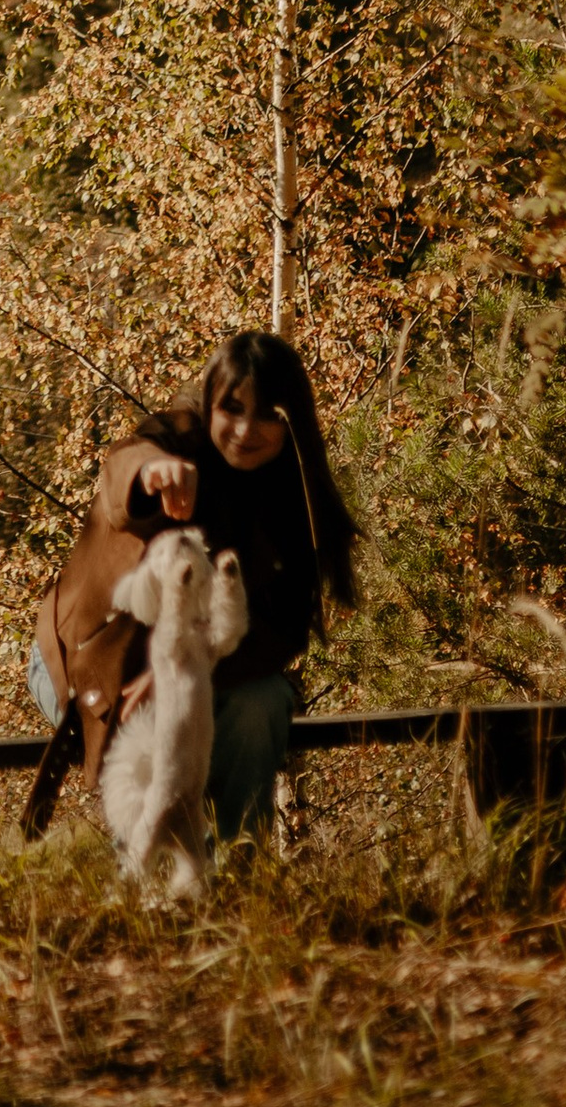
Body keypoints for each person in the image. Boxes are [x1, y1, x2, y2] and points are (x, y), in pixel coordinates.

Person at [22, 329, 359, 847]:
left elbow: (283, 630)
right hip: (86, 662)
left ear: (291, 421)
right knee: (158, 728)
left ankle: (241, 868)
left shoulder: (296, 497)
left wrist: (181, 668)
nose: (247, 429)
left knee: (263, 702)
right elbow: (123, 467)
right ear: (210, 405)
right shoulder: (176, 439)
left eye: (267, 413)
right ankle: (147, 885)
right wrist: (152, 471)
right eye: (233, 408)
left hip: (199, 671)